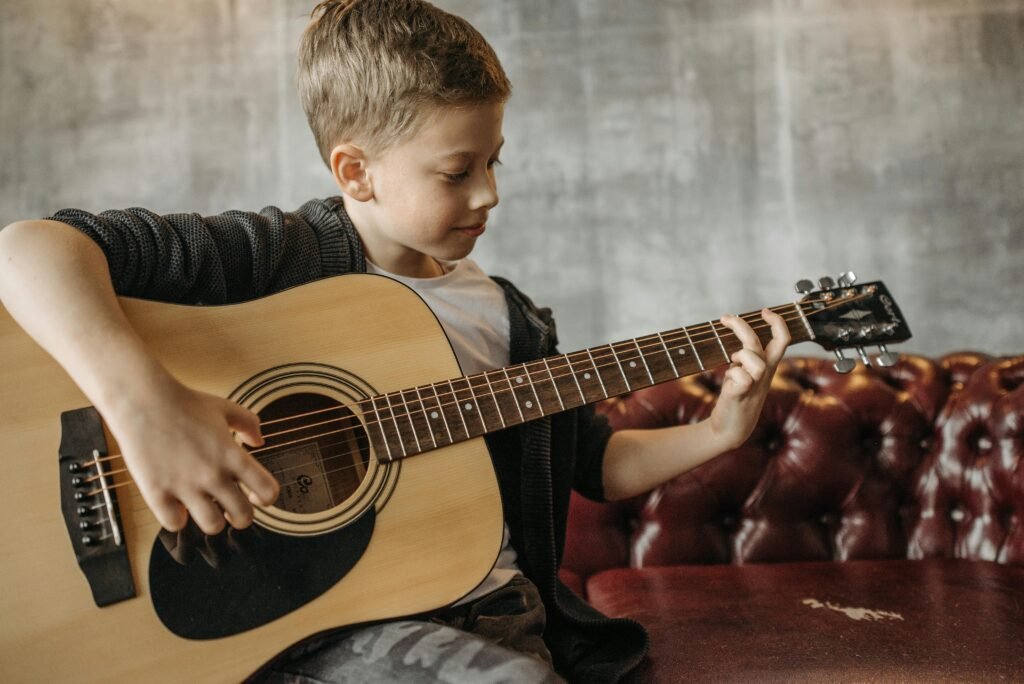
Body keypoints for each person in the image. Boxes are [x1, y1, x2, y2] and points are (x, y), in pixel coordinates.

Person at [0, 1, 790, 682]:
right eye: (457, 171)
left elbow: (598, 465)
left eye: (494, 161)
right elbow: (26, 250)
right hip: (322, 628)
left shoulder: (509, 318)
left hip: (491, 617)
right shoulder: (275, 256)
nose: (490, 193)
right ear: (357, 171)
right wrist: (146, 407)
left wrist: (721, 430)